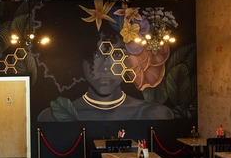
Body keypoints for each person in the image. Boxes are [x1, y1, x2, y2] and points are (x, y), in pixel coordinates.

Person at [37, 37, 173, 122]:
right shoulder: (50, 117)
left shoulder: (155, 114)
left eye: (117, 54)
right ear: (80, 61)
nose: (106, 68)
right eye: (96, 55)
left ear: (131, 60)